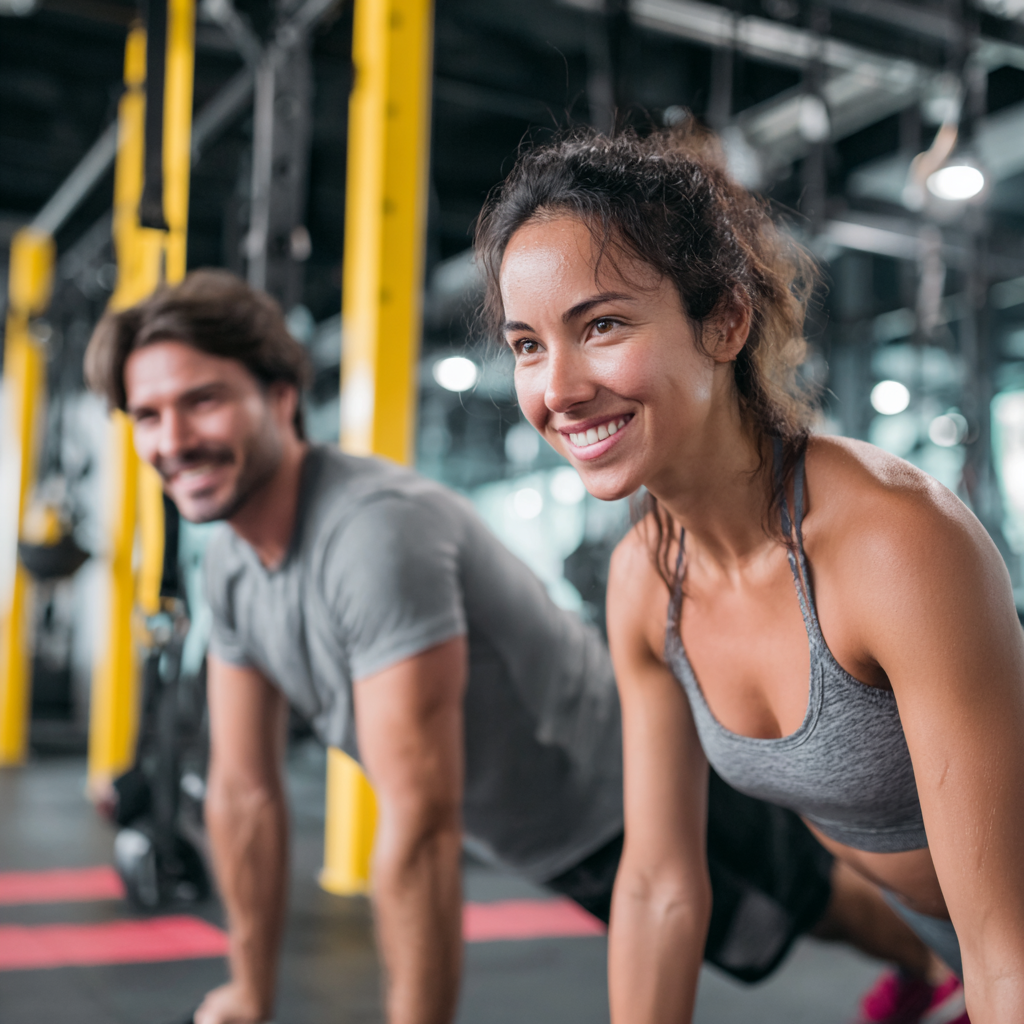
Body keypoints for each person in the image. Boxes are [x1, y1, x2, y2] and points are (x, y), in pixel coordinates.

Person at [86, 269, 941, 1024]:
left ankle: (935, 974)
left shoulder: (372, 535)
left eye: (202, 400)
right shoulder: (233, 564)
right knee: (791, 915)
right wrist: (247, 993)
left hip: (617, 789)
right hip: (532, 828)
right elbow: (243, 791)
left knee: (812, 906)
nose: (173, 440)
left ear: (279, 397)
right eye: (148, 415)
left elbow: (420, 825)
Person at [478, 123, 1024, 1024]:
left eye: (601, 325)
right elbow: (659, 886)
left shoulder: (892, 544)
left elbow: (1009, 947)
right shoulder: (646, 581)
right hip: (958, 947)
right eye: (528, 345)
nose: (558, 389)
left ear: (725, 322)